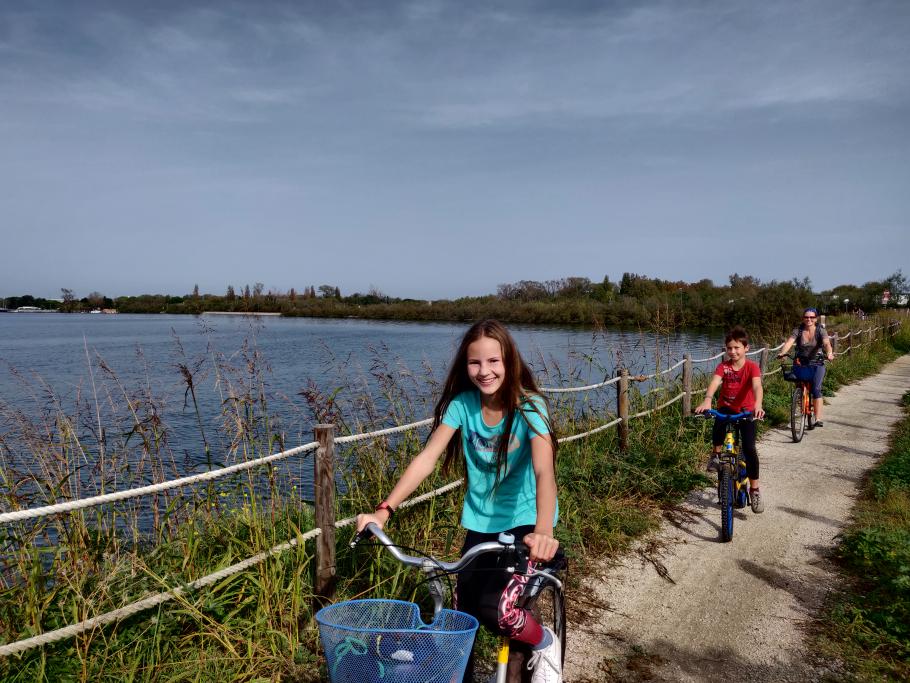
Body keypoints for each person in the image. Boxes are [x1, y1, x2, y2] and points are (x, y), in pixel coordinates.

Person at [355, 319, 562, 683]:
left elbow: (545, 471)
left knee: (496, 610)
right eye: (475, 363)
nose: (485, 371)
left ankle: (544, 642)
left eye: (493, 361)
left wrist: (543, 531)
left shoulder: (530, 407)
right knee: (458, 620)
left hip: (526, 522)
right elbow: (427, 458)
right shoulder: (462, 405)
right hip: (481, 523)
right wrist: (384, 510)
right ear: (465, 367)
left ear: (509, 361)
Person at [694, 326, 766, 513]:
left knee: (749, 448)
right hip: (726, 407)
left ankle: (755, 490)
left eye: (737, 348)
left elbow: (757, 386)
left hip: (746, 411)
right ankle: (715, 455)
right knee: (718, 423)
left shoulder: (752, 367)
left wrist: (758, 405)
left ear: (746, 348)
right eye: (729, 348)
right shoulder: (723, 366)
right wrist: (708, 400)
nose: (733, 352)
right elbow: (715, 382)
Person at [776, 307, 834, 427]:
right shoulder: (798, 330)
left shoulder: (820, 330)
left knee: (816, 389)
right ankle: (797, 412)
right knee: (799, 386)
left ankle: (817, 418)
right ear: (803, 318)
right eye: (806, 317)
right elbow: (789, 342)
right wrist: (783, 353)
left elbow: (827, 343)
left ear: (816, 318)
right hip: (801, 362)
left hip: (817, 363)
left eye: (812, 317)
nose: (809, 319)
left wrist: (829, 353)